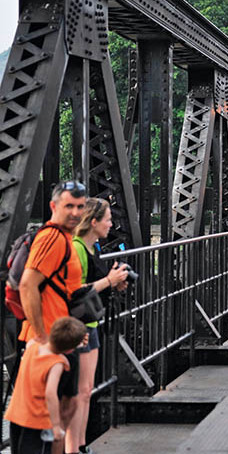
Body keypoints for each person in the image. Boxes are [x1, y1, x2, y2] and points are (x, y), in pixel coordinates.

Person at [18, 180, 87, 454]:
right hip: (49, 343)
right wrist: (42, 337)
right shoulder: (51, 238)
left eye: (80, 207)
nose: (75, 212)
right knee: (48, 419)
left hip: (62, 339)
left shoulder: (66, 238)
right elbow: (27, 284)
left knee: (62, 409)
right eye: (68, 206)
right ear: (53, 206)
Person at [67, 198, 128, 454]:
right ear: (93, 222)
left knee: (85, 391)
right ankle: (73, 448)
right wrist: (108, 280)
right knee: (77, 393)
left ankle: (80, 446)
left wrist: (115, 282)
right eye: (107, 220)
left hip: (91, 323)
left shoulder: (94, 248)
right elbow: (73, 291)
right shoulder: (78, 247)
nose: (111, 224)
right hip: (78, 327)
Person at [4, 317, 87, 454]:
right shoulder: (57, 363)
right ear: (69, 350)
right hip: (37, 420)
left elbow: (38, 339)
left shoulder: (32, 347)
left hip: (16, 415)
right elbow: (50, 393)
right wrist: (55, 426)